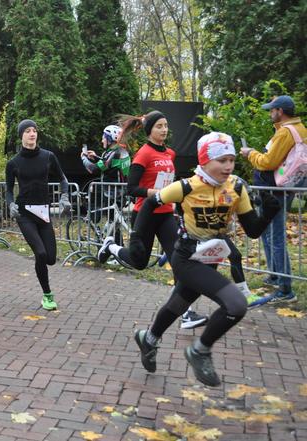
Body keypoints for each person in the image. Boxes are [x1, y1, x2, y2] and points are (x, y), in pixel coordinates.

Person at [133, 132, 280, 387]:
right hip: (187, 257)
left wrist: (267, 213)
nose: (228, 166)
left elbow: (253, 231)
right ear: (204, 160)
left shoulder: (236, 187)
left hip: (210, 257)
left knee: (179, 304)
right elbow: (149, 204)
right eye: (222, 160)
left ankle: (149, 338)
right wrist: (136, 237)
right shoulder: (186, 186)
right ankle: (200, 350)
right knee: (235, 304)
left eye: (232, 160)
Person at [97, 111, 208, 329]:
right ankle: (111, 246)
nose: (164, 130)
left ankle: (186, 313)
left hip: (165, 213)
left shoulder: (170, 154)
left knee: (180, 261)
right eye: (159, 126)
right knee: (138, 262)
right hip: (145, 213)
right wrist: (154, 193)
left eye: (166, 125)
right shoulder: (143, 154)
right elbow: (132, 189)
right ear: (150, 131)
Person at [240, 95, 305, 303]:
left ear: (280, 111)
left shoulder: (285, 132)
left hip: (276, 191)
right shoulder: (299, 129)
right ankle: (275, 275)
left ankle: (286, 289)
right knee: (267, 232)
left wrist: (250, 153)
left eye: (272, 110)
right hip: (285, 188)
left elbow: (267, 162)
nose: (270, 113)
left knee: (275, 236)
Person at [5, 120, 71, 310]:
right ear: (21, 136)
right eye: (27, 131)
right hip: (24, 213)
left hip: (43, 212)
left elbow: (63, 179)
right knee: (40, 253)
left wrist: (65, 196)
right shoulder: (14, 163)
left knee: (50, 258)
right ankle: (47, 295)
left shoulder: (48, 156)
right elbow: (9, 190)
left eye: (34, 130)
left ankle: (44, 278)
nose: (32, 134)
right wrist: (10, 204)